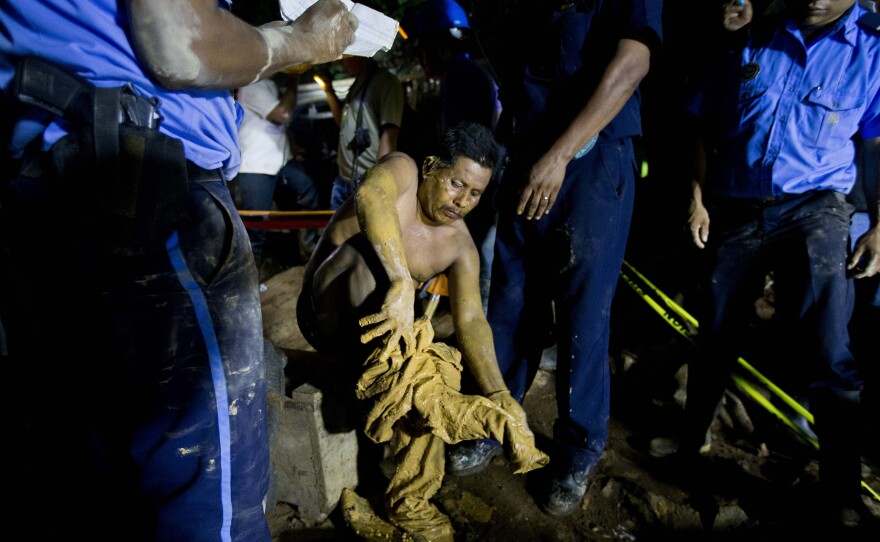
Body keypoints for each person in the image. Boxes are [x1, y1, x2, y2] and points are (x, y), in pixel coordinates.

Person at [0, 0, 356, 539]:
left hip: (45, 181)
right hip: (142, 185)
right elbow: (176, 41)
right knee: (209, 493)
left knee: (98, 472)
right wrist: (299, 40)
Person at [648, 0, 879, 530]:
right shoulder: (750, 38)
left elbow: (876, 147)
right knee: (716, 331)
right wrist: (697, 195)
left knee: (828, 345)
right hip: (736, 204)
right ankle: (692, 438)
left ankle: (843, 489)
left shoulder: (872, 51)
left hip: (817, 207)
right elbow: (704, 123)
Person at [445, 0, 664, 519]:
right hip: (526, 153)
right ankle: (495, 422)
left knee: (583, 316)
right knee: (510, 304)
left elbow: (634, 61)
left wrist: (562, 154)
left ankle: (576, 453)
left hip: (591, 161)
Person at [296, 121, 548, 538]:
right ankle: (450, 408)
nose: (462, 201)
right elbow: (370, 194)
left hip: (379, 338)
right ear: (433, 167)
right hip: (326, 315)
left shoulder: (461, 246)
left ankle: (409, 499)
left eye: (474, 194)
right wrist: (398, 277)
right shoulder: (405, 170)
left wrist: (499, 394)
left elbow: (471, 320)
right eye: (456, 184)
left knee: (429, 362)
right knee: (368, 257)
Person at [413, 0, 504, 313]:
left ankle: (476, 320)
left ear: (438, 47)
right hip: (488, 181)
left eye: (423, 48)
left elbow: (456, 144)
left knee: (475, 249)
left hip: (476, 181)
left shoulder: (458, 76)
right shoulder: (473, 72)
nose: (421, 57)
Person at [235, 75, 318, 270]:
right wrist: (294, 80)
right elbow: (283, 114)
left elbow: (281, 125)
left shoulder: (270, 84)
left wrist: (294, 145)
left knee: (307, 189)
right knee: (256, 226)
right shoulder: (251, 85)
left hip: (282, 161)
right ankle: (248, 281)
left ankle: (310, 254)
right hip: (256, 166)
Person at [321, 54, 404, 210]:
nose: (340, 62)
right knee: (337, 233)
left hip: (366, 180)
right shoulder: (358, 83)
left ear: (362, 54)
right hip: (344, 178)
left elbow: (390, 134)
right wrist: (328, 89)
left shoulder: (386, 83)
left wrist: (377, 181)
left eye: (346, 56)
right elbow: (342, 121)